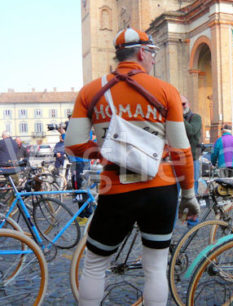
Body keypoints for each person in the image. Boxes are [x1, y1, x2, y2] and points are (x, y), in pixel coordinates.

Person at [64, 27, 198, 305]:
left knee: (95, 265)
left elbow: (74, 143)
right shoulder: (166, 90)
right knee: (155, 267)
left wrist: (110, 153)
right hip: (160, 188)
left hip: (116, 188)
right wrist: (189, 194)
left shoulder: (90, 90)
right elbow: (182, 150)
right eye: (152, 54)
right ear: (141, 52)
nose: (153, 60)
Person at [182, 95, 202, 194]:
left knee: (192, 190)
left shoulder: (196, 117)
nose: (181, 106)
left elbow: (191, 130)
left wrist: (178, 117)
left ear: (188, 104)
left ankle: (193, 209)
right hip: (179, 158)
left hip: (192, 159)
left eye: (183, 104)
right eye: (178, 105)